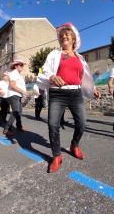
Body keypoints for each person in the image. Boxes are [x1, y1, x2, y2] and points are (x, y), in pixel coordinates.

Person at [37, 22, 101, 172]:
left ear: (73, 39)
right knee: (53, 124)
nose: (64, 36)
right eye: (62, 35)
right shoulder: (54, 54)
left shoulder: (80, 58)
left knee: (82, 124)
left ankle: (74, 145)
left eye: (67, 35)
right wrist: (52, 76)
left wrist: (93, 89)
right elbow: (45, 69)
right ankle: (57, 155)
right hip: (58, 94)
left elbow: (85, 77)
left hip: (76, 93)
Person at [3, 60, 29, 136]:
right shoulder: (14, 73)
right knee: (16, 111)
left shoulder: (18, 74)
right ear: (16, 66)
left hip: (17, 95)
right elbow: (12, 85)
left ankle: (19, 127)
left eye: (22, 65)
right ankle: (7, 129)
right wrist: (23, 92)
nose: (22, 67)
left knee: (19, 112)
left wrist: (22, 92)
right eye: (21, 65)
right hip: (14, 95)